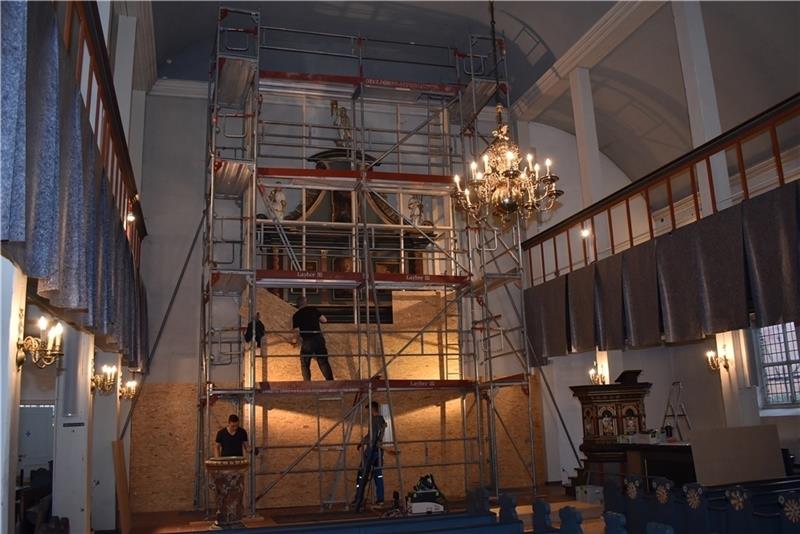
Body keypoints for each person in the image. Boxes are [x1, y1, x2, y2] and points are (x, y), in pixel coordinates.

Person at [353, 401, 387, 510]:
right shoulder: (378, 420)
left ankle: (360, 498)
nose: (369, 412)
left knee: (364, 474)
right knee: (375, 475)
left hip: (373, 450)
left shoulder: (376, 419)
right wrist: (363, 441)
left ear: (373, 408)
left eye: (369, 410)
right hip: (375, 449)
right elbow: (371, 434)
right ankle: (377, 499)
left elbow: (377, 434)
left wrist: (366, 443)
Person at [291, 297, 334, 380]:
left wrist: (294, 341)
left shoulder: (296, 315)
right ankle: (330, 382)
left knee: (305, 363)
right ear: (306, 303)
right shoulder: (313, 309)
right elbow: (324, 320)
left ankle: (307, 384)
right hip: (318, 338)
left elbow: (296, 331)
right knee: (323, 361)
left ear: (297, 305)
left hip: (308, 340)